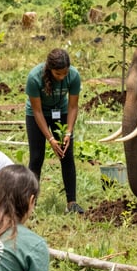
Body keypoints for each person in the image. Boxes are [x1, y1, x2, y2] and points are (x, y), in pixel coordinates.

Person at [25, 48, 84, 214]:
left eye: (65, 73)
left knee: (66, 154)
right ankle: (30, 203)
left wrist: (68, 132)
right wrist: (50, 139)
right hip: (37, 115)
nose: (62, 77)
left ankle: (71, 203)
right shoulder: (34, 78)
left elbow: (73, 106)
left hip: (61, 112)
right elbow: (37, 111)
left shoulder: (74, 76)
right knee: (36, 157)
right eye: (58, 74)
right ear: (50, 69)